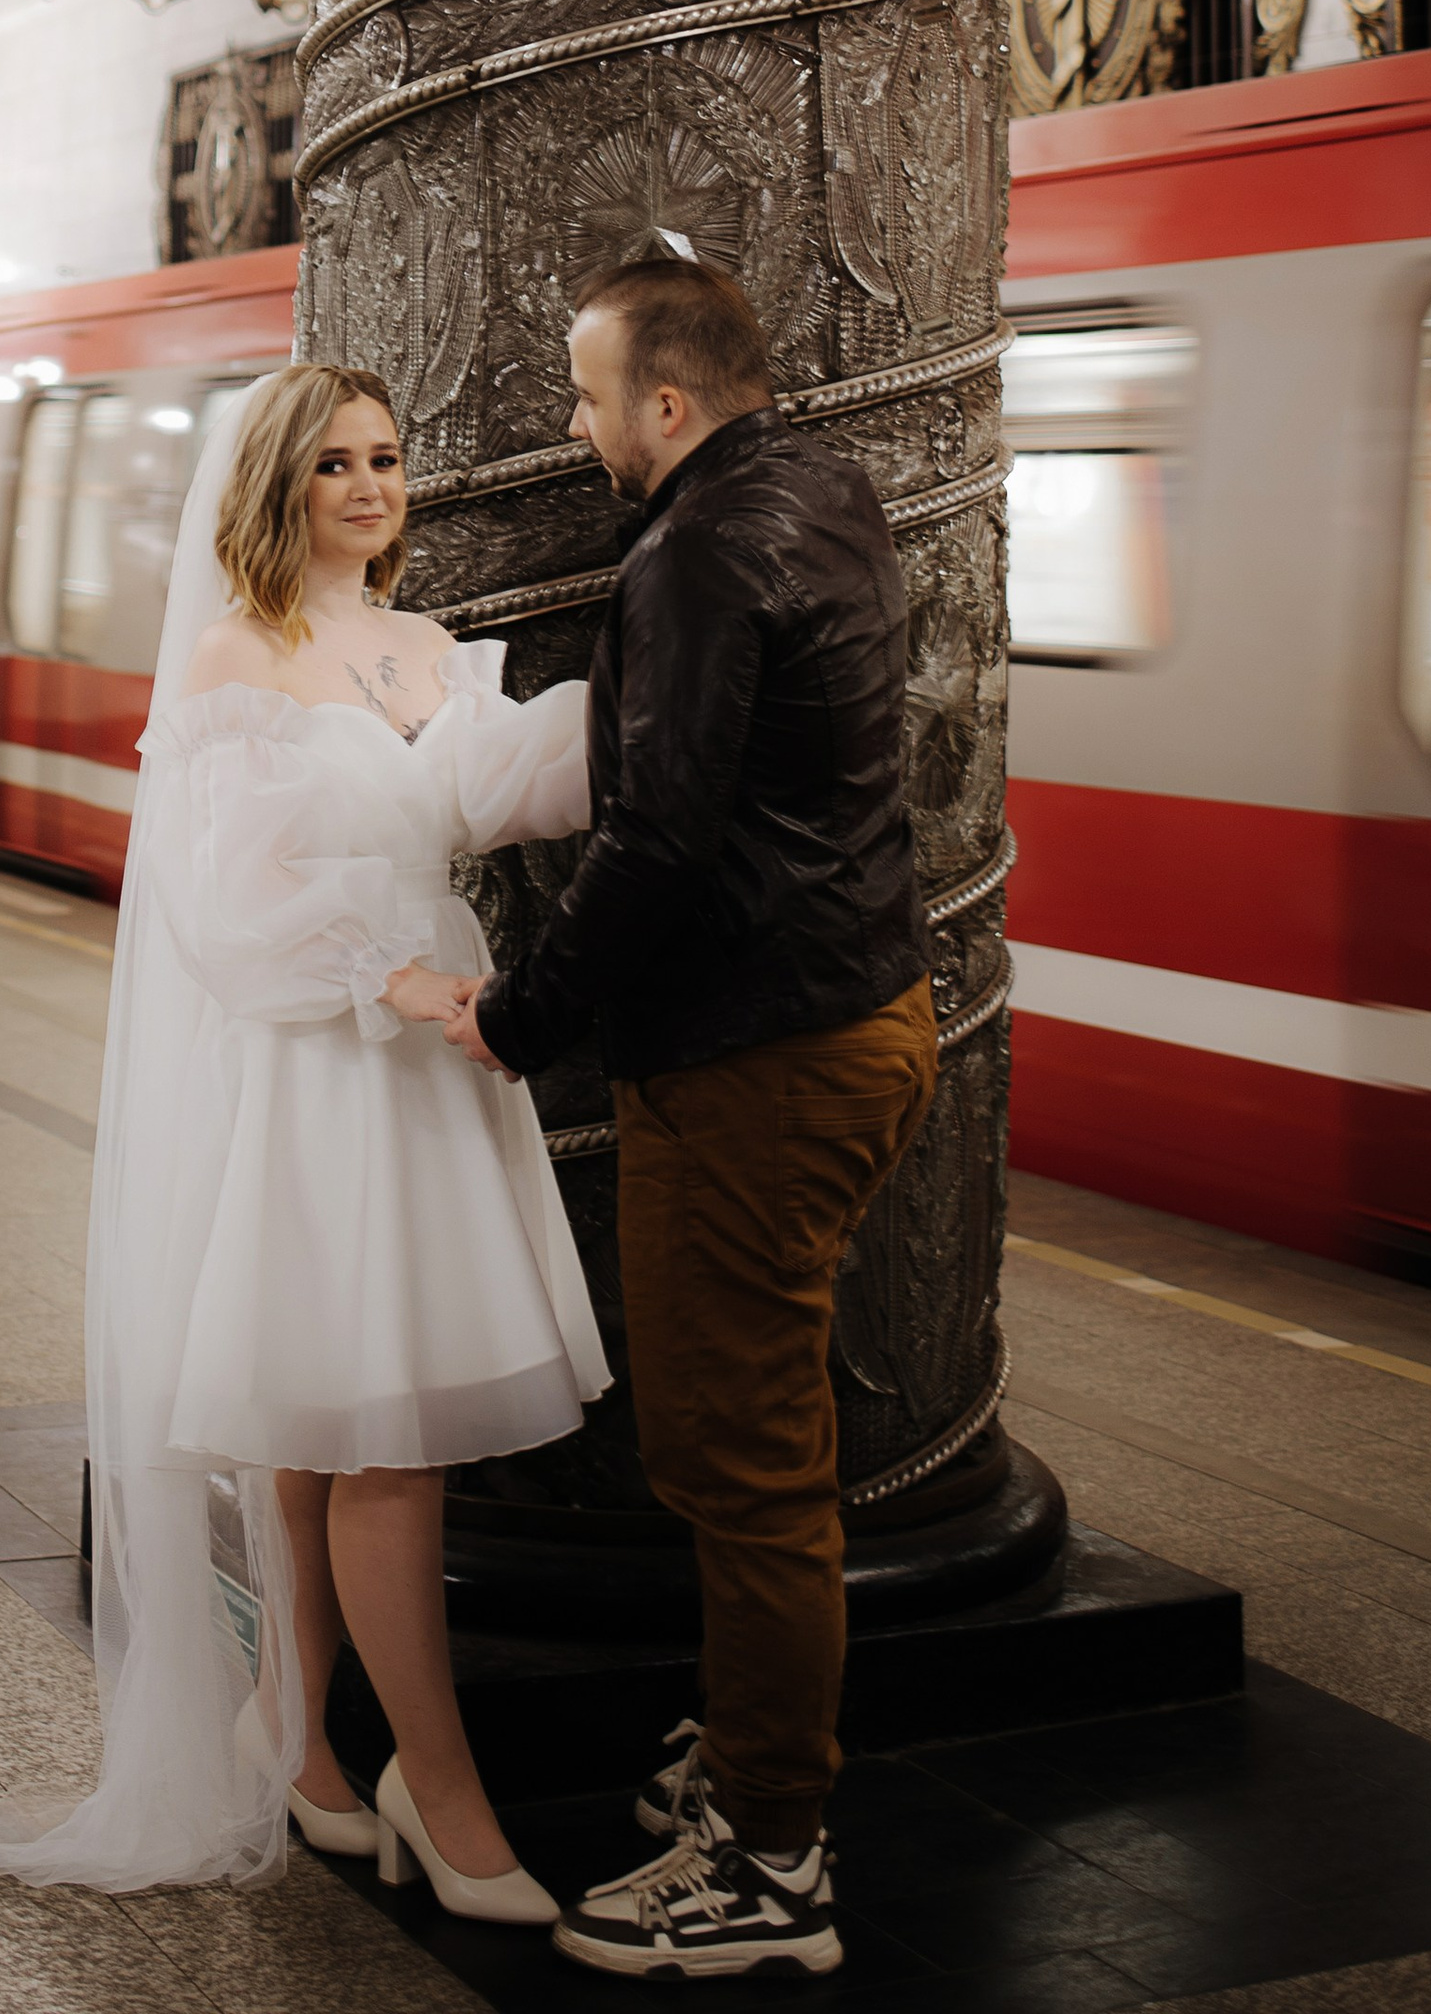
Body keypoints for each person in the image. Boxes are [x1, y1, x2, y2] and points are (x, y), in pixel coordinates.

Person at [0, 362, 607, 1910]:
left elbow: (505, 785)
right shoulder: (239, 659)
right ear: (277, 489)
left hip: (425, 1064)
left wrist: (654, 692)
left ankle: (298, 1740)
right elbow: (221, 904)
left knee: (326, 1421)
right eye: (335, 467)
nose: (371, 488)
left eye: (386, 460)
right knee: (372, 1432)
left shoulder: (426, 646)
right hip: (323, 1060)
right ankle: (437, 1794)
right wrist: (387, 972)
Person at [444, 252, 938, 1983]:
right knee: (757, 1438)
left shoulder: (694, 555)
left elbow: (655, 844)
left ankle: (771, 1861)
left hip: (755, 1058)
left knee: (742, 1463)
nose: (577, 431)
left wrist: (518, 1017)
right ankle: (751, 1755)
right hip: (865, 1015)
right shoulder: (826, 491)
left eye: (588, 398)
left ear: (664, 403)